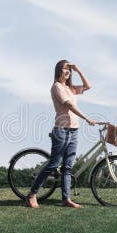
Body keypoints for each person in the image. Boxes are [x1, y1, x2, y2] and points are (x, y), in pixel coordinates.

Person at [27, 60, 96, 209]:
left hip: (74, 130)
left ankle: (66, 199)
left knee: (68, 167)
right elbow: (69, 105)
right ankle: (32, 194)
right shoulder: (56, 87)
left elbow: (88, 86)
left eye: (69, 69)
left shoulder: (69, 88)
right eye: (65, 68)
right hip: (61, 130)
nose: (68, 71)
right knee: (53, 165)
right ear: (58, 70)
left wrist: (78, 70)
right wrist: (86, 118)